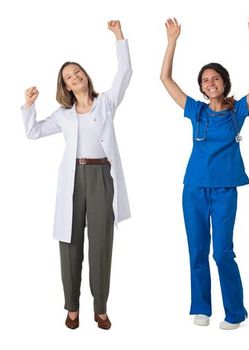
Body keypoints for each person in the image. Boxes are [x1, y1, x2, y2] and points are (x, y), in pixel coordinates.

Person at [159, 16, 249, 330]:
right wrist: (172, 41)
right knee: (197, 249)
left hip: (225, 190)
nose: (210, 83)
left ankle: (235, 312)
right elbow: (165, 79)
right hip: (194, 188)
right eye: (205, 80)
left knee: (222, 251)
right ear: (201, 88)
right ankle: (201, 307)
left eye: (215, 78)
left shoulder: (239, 112)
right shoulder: (196, 111)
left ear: (225, 83)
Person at [22, 20, 131, 331]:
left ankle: (100, 307)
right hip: (73, 180)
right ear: (66, 86)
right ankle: (71, 307)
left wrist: (119, 37)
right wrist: (29, 106)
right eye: (69, 76)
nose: (75, 77)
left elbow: (124, 74)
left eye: (77, 71)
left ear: (85, 76)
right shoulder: (64, 116)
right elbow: (33, 132)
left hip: (101, 177)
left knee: (101, 244)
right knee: (69, 244)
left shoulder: (106, 103)